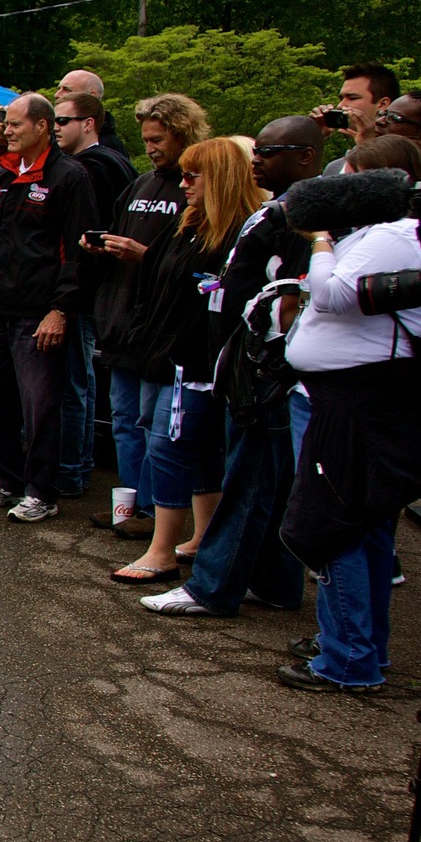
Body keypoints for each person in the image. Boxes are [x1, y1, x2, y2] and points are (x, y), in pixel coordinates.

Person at [276, 135, 421, 693]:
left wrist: (320, 238)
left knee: (336, 524)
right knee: (364, 524)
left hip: (357, 402)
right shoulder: (393, 234)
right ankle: (358, 645)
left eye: (348, 176)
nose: (336, 186)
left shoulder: (397, 234)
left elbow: (334, 295)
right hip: (356, 397)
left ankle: (348, 659)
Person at [142, 115, 324, 618]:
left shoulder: (302, 218)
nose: (258, 160)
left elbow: (295, 295)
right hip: (240, 363)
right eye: (256, 151)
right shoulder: (273, 213)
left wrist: (262, 356)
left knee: (248, 482)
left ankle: (213, 586)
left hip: (266, 370)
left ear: (306, 156)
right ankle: (274, 581)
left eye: (270, 151)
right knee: (262, 480)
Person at [109, 137, 266, 584]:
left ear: (218, 177)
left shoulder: (238, 233)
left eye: (192, 175)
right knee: (189, 452)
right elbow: (157, 283)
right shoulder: (187, 223)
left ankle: (161, 552)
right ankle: (199, 537)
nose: (183, 183)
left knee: (170, 448)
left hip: (195, 363)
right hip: (163, 355)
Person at [0, 92, 98, 523]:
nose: (6, 131)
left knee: (41, 405)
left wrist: (61, 309)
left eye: (14, 124)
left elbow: (77, 251)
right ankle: (7, 480)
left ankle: (42, 492)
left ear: (42, 126)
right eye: (5, 124)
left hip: (37, 313)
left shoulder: (70, 177)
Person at [88, 93, 206, 536]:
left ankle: (160, 514)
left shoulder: (196, 189)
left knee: (156, 426)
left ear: (183, 133)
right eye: (146, 140)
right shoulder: (140, 184)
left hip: (165, 328)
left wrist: (146, 255)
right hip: (122, 320)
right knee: (124, 420)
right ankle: (130, 504)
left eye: (158, 139)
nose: (151, 147)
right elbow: (120, 233)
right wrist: (101, 247)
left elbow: (203, 261)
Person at [52, 91, 137, 496]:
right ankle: (73, 467)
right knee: (77, 383)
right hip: (89, 288)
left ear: (89, 123)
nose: (55, 128)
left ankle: (71, 470)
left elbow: (86, 233)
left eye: (63, 120)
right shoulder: (107, 164)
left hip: (85, 290)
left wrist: (69, 297)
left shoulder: (96, 167)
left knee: (74, 385)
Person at [315, 63, 400, 175]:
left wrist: (368, 143)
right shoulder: (335, 168)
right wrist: (316, 137)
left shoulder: (406, 157)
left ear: (382, 104)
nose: (340, 105)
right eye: (341, 98)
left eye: (352, 98)